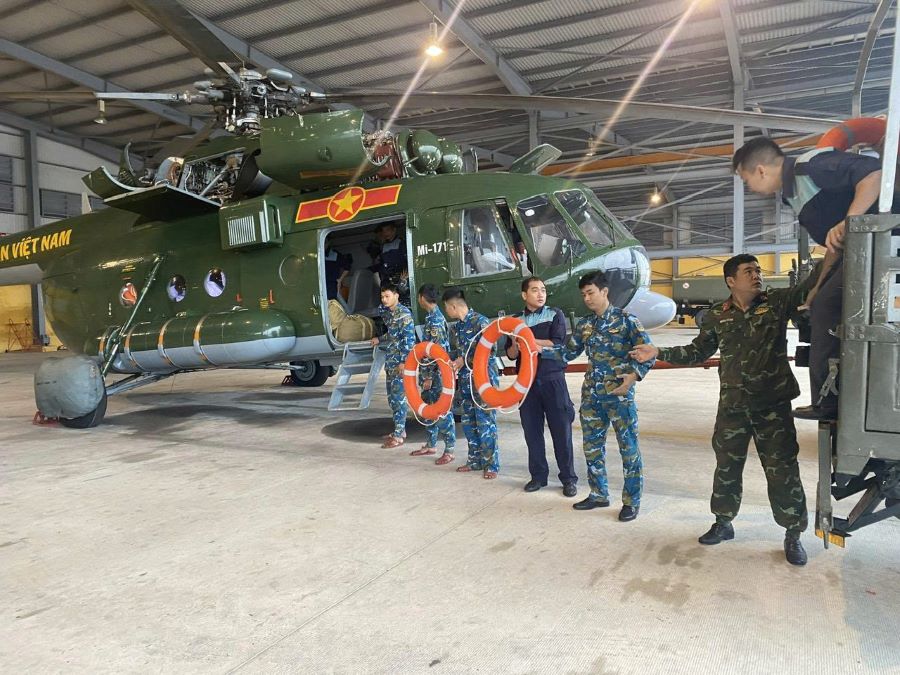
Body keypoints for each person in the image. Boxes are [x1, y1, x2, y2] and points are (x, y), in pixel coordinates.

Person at [631, 253, 822, 566]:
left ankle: (792, 532)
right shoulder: (719, 315)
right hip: (733, 406)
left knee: (782, 471)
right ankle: (723, 522)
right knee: (726, 467)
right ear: (731, 280)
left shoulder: (774, 303)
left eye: (758, 270)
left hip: (771, 406)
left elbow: (806, 288)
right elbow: (697, 351)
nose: (757, 275)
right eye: (749, 271)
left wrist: (832, 253)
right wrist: (658, 351)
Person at [732, 137, 899, 421]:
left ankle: (830, 400)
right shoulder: (794, 194)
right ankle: (832, 397)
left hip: (882, 243)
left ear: (760, 170)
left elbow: (875, 175)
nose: (749, 188)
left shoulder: (811, 166)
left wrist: (850, 221)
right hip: (858, 251)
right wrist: (817, 286)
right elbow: (834, 245)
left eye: (746, 180)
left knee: (828, 307)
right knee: (820, 305)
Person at [547, 271, 654, 522]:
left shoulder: (627, 321)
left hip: (619, 397)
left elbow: (648, 353)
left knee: (629, 450)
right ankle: (598, 494)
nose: (587, 298)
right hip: (592, 397)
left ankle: (631, 501)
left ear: (604, 292)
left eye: (591, 293)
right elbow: (568, 353)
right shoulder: (585, 325)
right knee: (592, 448)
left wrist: (634, 375)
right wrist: (538, 351)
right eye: (583, 294)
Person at [505, 277, 578, 497]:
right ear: (524, 295)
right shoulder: (515, 321)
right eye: (535, 290)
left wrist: (530, 341)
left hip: (552, 379)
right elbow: (510, 354)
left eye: (543, 290)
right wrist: (517, 344)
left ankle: (568, 479)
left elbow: (558, 342)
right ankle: (538, 476)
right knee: (532, 432)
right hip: (526, 384)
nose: (540, 294)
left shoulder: (555, 314)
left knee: (561, 431)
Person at [442, 287, 500, 479]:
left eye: (446, 308)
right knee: (468, 422)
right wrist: (450, 362)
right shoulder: (456, 328)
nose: (446, 311)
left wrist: (464, 360)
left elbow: (490, 351)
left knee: (485, 423)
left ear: (453, 306)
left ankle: (491, 464)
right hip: (466, 382)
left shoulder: (480, 322)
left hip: (483, 382)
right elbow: (455, 353)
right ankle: (474, 460)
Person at [411, 283, 456, 464]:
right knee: (428, 409)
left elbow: (437, 353)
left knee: (441, 410)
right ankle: (430, 444)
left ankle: (450, 449)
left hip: (436, 375)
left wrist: (429, 375)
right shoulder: (431, 317)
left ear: (422, 298)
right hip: (429, 373)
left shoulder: (435, 320)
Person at [371, 281, 415, 449]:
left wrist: (404, 362)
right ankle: (398, 430)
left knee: (399, 398)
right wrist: (379, 339)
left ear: (396, 295)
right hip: (391, 362)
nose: (384, 300)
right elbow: (392, 333)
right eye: (382, 296)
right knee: (392, 398)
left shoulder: (404, 314)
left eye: (387, 296)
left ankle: (398, 435)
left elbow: (409, 340)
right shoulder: (390, 313)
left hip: (399, 363)